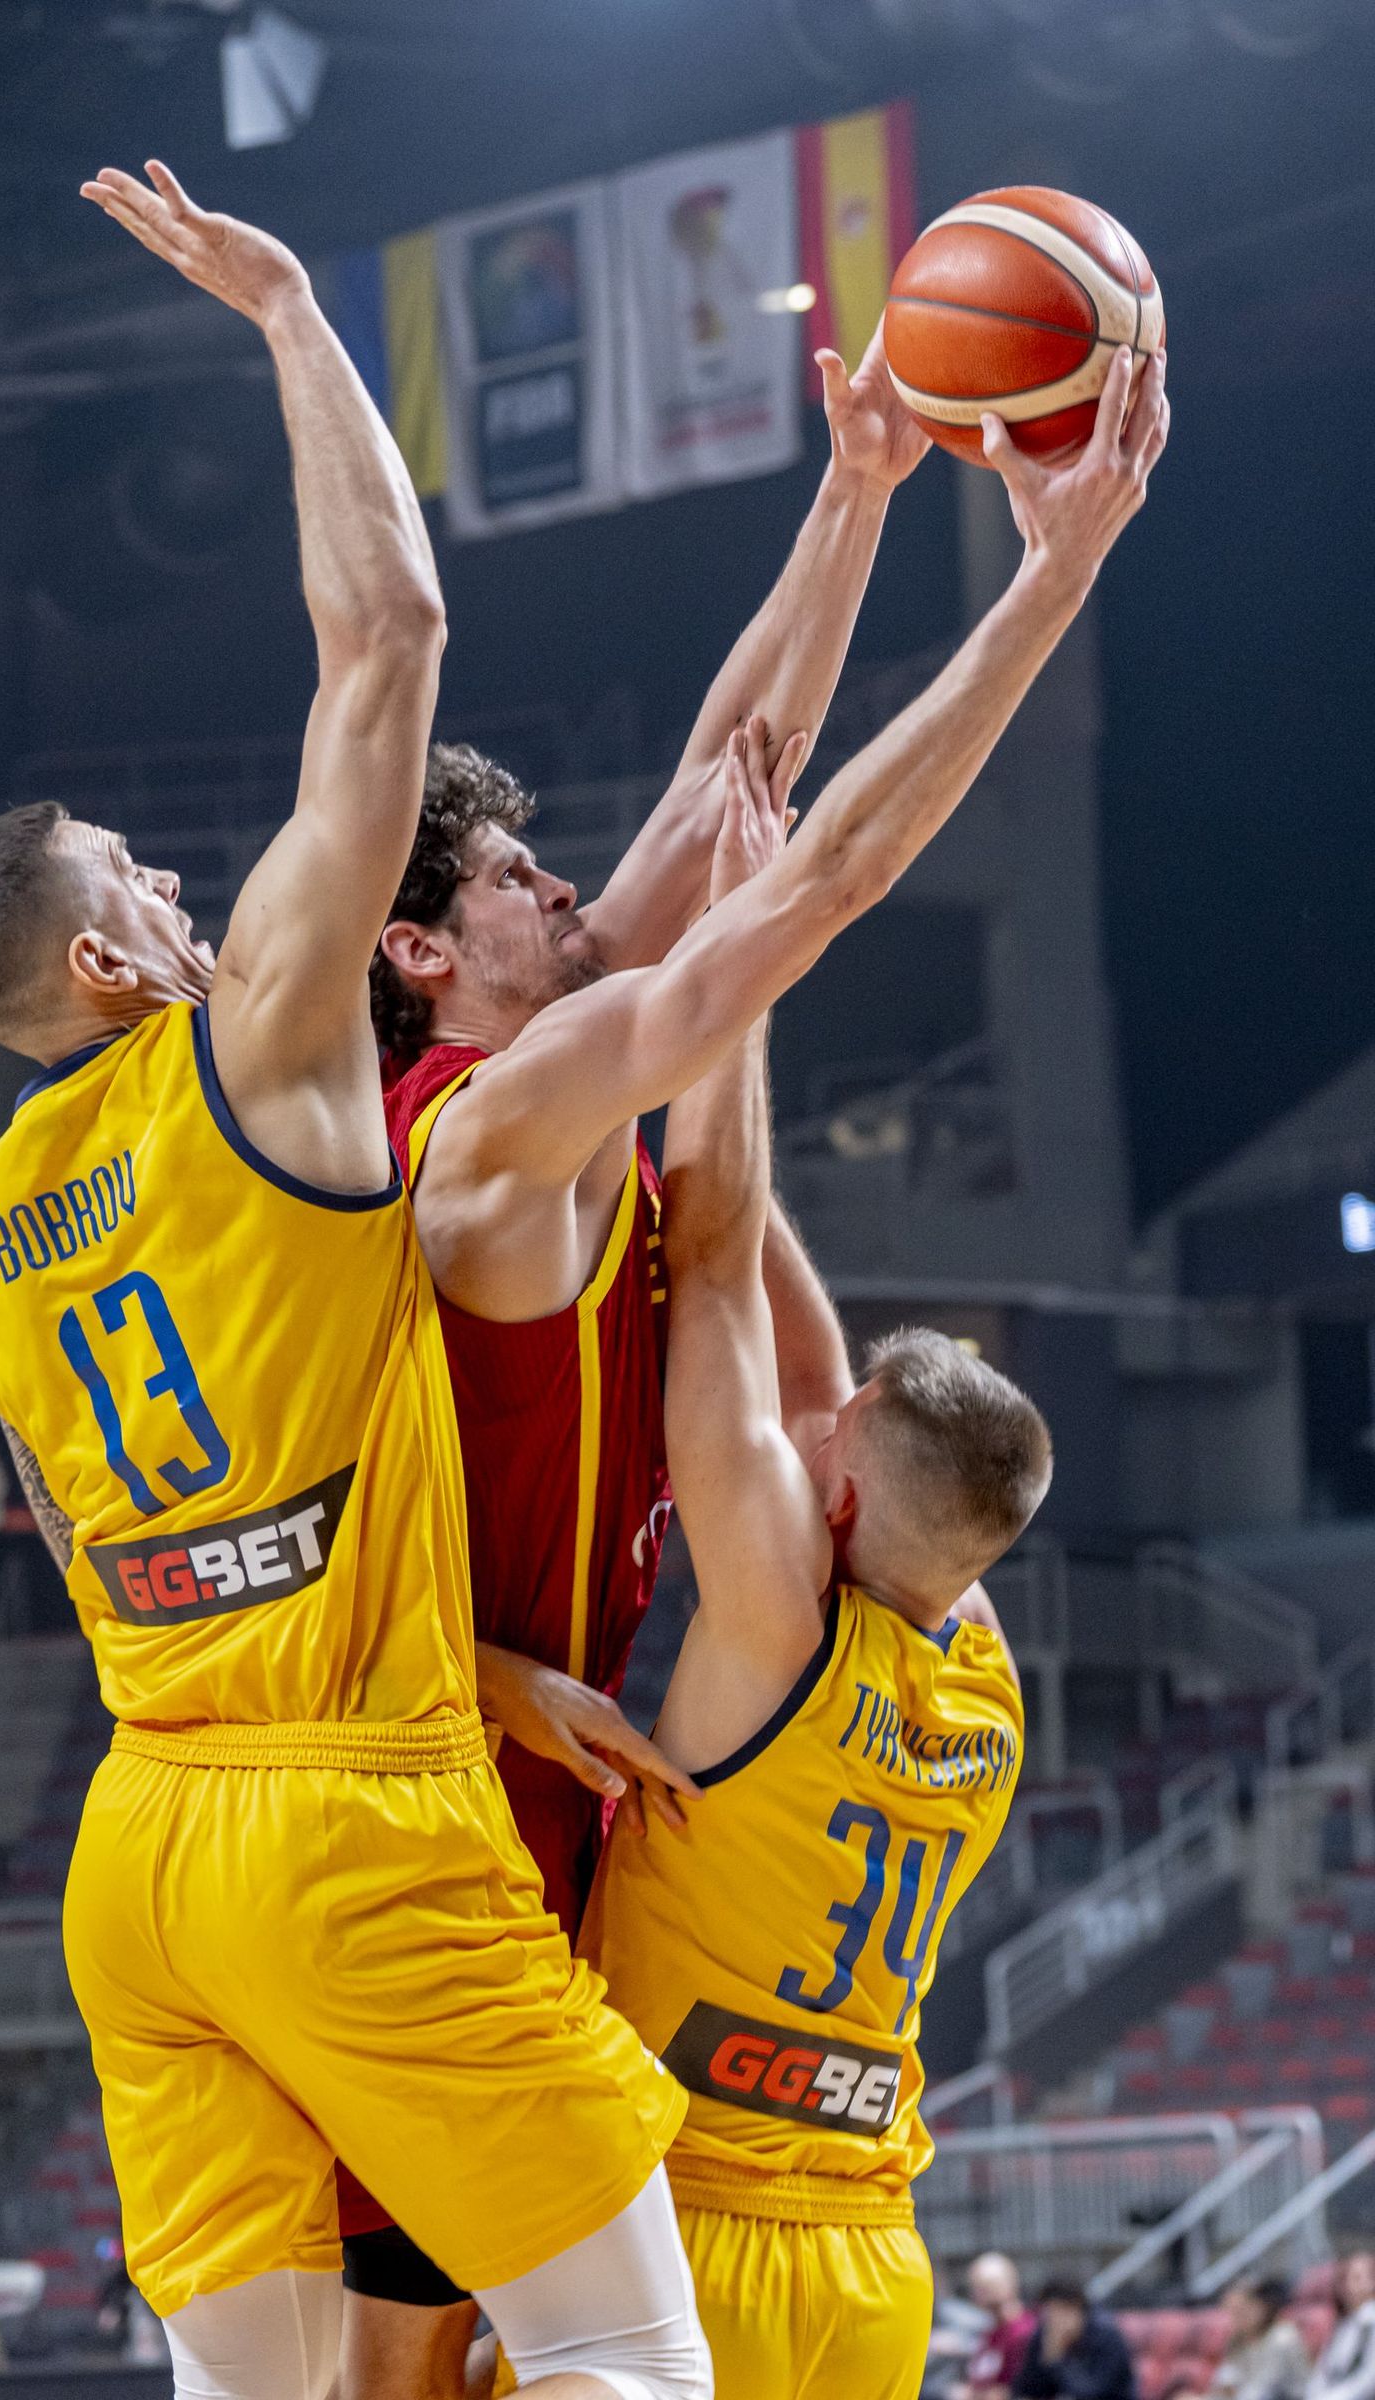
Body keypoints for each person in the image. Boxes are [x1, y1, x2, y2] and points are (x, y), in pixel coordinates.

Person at [0, 164, 710, 2400]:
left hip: (141, 1849)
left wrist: (464, 1651)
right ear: (108, 959)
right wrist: (285, 312)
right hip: (340, 1823)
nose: (195, 889)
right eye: (153, 882)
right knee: (628, 2366)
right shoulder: (251, 1042)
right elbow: (389, 646)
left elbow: (130, 1537)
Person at [341, 329, 936, 2396]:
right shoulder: (462, 1138)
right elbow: (303, 1542)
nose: (563, 884)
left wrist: (854, 485)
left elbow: (733, 766)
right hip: (431, 1794)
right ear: (418, 950)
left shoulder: (572, 1051)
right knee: (399, 2367)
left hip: (565, 1776)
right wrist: (494, 1675)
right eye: (512, 880)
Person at [577, 700, 1059, 2396]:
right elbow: (812, 1379)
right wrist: (688, 1056)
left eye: (830, 1435)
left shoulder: (780, 1624)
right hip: (869, 2271)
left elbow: (706, 1282)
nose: (814, 1414)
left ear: (837, 1493)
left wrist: (727, 978)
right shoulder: (981, 1666)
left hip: (679, 2238)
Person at [1170, 2277, 1308, 2400]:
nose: (1233, 2319)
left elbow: (1261, 2393)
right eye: (1230, 2312)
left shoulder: (1282, 2338)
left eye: (1240, 2311)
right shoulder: (1239, 2339)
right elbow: (1225, 2385)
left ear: (1262, 2307)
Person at [1012, 2284, 1137, 2400]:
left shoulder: (1107, 2336)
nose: (1053, 2321)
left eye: (1059, 2312)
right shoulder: (1044, 2335)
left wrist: (1057, 2361)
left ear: (1076, 2310)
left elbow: (1091, 2392)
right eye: (1048, 2313)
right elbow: (1026, 2389)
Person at [963, 2253, 1039, 2400]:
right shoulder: (990, 2333)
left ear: (1007, 2285)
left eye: (984, 2287)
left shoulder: (1025, 2331)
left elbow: (1021, 2389)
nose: (976, 2294)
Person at [1306, 2255, 1375, 2400]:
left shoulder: (1370, 2322)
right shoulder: (1344, 2325)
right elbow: (1323, 2372)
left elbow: (1369, 2380)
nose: (1367, 2284)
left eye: (1370, 2276)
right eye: (1355, 2278)